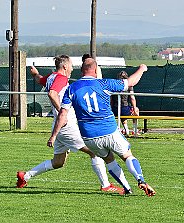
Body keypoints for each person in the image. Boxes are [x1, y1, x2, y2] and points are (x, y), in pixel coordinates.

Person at [47, 58, 156, 196]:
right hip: (109, 130)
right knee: (127, 155)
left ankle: (127, 188)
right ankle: (140, 180)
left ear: (82, 71)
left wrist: (54, 135)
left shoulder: (72, 88)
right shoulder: (103, 83)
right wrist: (142, 68)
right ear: (95, 70)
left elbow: (62, 114)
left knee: (109, 160)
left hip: (89, 136)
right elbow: (131, 82)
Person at [16, 55, 123, 194]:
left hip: (59, 125)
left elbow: (39, 80)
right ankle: (106, 186)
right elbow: (52, 93)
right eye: (71, 65)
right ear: (65, 66)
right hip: (67, 125)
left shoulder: (51, 77)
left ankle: (25, 176)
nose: (72, 69)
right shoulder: (61, 78)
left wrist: (35, 73)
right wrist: (62, 111)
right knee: (95, 152)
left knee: (58, 162)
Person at [111, 71, 140, 136]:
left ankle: (126, 130)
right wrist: (134, 108)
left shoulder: (114, 85)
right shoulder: (129, 85)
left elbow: (111, 100)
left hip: (115, 109)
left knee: (121, 112)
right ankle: (135, 130)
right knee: (136, 110)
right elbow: (132, 97)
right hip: (123, 108)